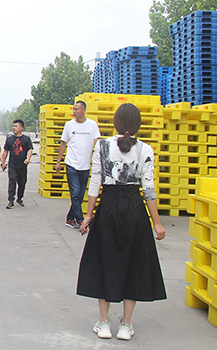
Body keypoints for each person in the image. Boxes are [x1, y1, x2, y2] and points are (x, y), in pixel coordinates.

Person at [76, 103, 166, 341]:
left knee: (104, 260)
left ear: (115, 123)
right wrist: (156, 222)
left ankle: (104, 323)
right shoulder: (145, 149)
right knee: (133, 263)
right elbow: (148, 189)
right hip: (134, 209)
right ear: (138, 124)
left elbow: (95, 182)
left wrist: (88, 215)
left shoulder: (102, 146)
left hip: (108, 207)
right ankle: (126, 325)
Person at [56, 101, 101, 229]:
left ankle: (70, 218)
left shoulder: (92, 125)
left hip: (85, 165)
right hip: (71, 164)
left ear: (83, 110)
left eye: (77, 109)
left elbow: (97, 141)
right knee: (75, 193)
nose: (74, 111)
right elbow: (63, 143)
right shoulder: (69, 125)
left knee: (80, 195)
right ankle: (81, 220)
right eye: (73, 109)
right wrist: (58, 162)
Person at [0, 119, 33, 209]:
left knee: (22, 183)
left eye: (16, 126)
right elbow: (6, 151)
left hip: (22, 165)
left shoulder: (26, 139)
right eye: (13, 126)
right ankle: (11, 201)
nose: (14, 128)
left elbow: (30, 150)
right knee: (12, 182)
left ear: (21, 128)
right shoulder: (10, 139)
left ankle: (19, 198)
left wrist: (28, 159)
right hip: (12, 165)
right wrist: (3, 162)